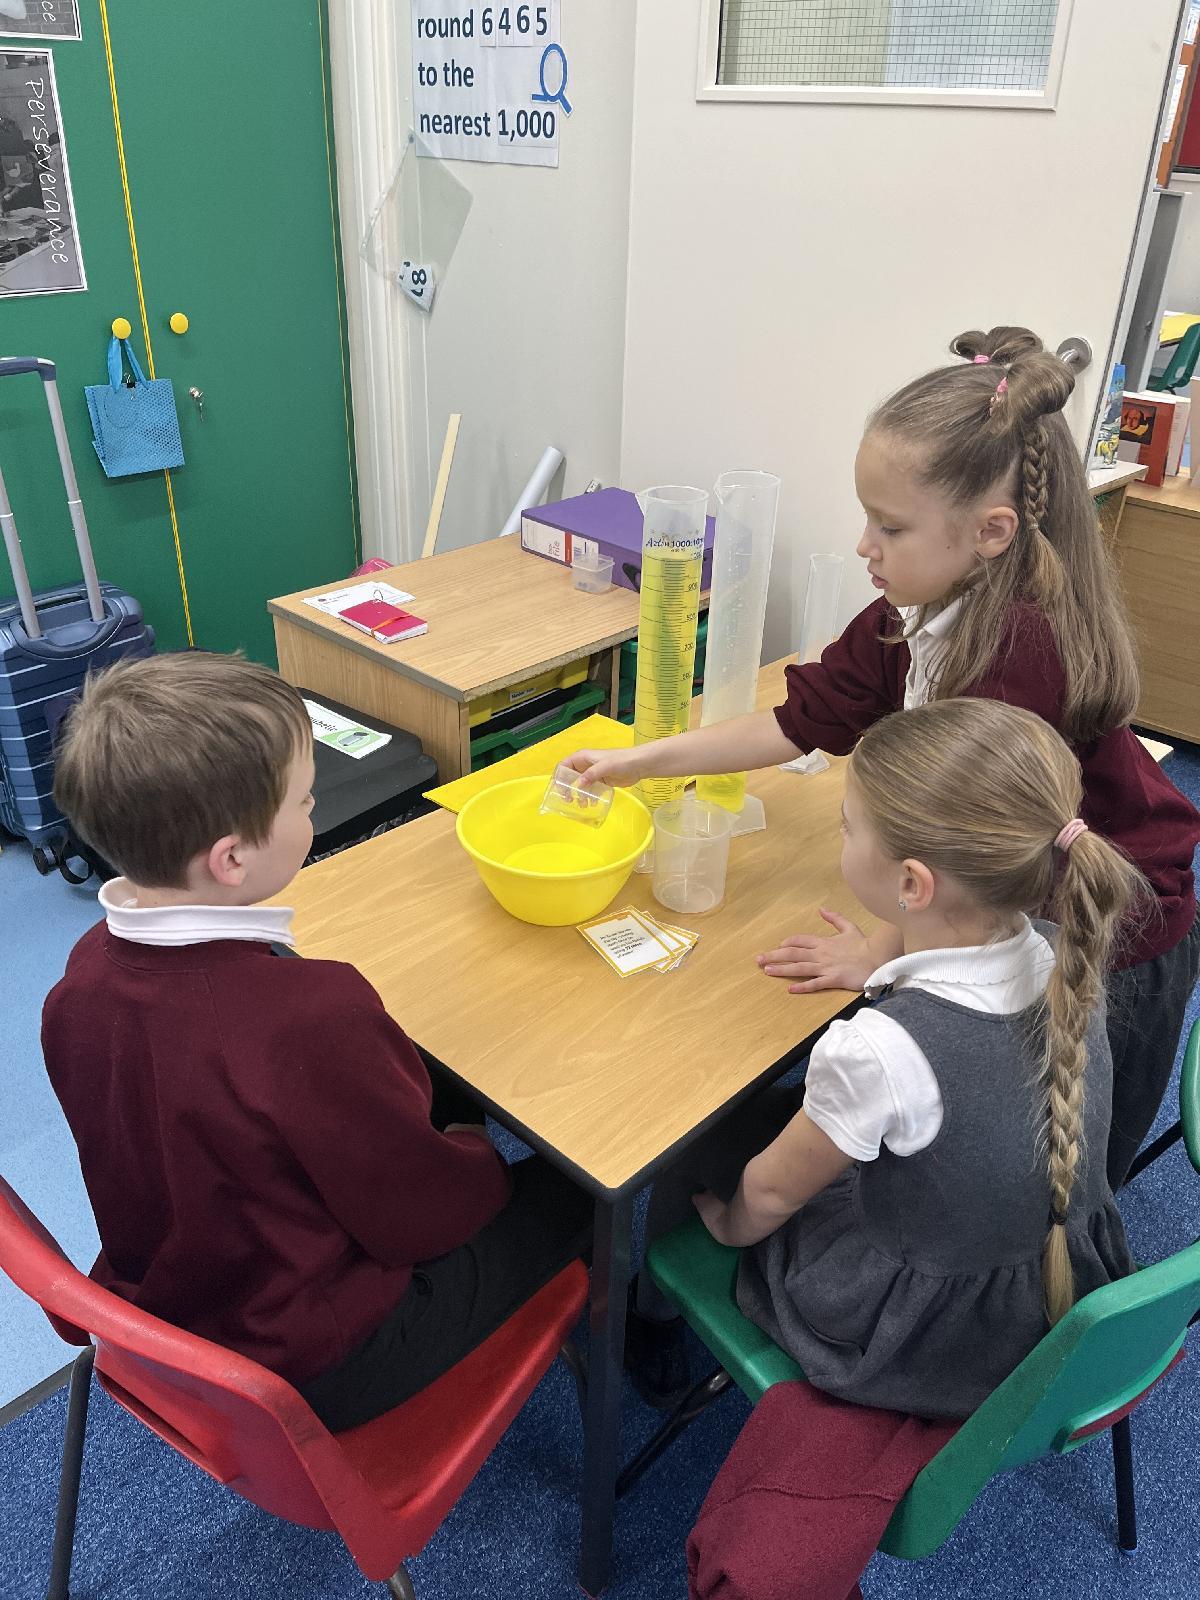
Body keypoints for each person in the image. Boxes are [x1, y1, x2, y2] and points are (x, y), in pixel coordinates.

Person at [568, 326, 1200, 1191]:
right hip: (1001, 892)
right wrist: (643, 761)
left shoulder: (1019, 661)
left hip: (1105, 922)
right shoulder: (913, 609)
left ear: (990, 532)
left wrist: (879, 952)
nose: (865, 544)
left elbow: (960, 852)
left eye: (890, 526)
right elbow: (801, 719)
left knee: (1054, 1175)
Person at [42, 653, 591, 1432]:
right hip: (319, 1359)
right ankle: (647, 1349)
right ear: (231, 859)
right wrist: (475, 1150)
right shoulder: (306, 1015)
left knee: (431, 1087)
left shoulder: (78, 983)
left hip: (177, 1308)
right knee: (585, 1189)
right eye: (304, 800)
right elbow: (425, 1217)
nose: (313, 809)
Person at [646, 698, 1139, 1418]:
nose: (841, 837)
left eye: (848, 827)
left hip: (920, 1337)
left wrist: (725, 1227)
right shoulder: (1067, 953)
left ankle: (645, 1319)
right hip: (1059, 1292)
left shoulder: (880, 1050)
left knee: (700, 1145)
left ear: (912, 884)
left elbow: (771, 1196)